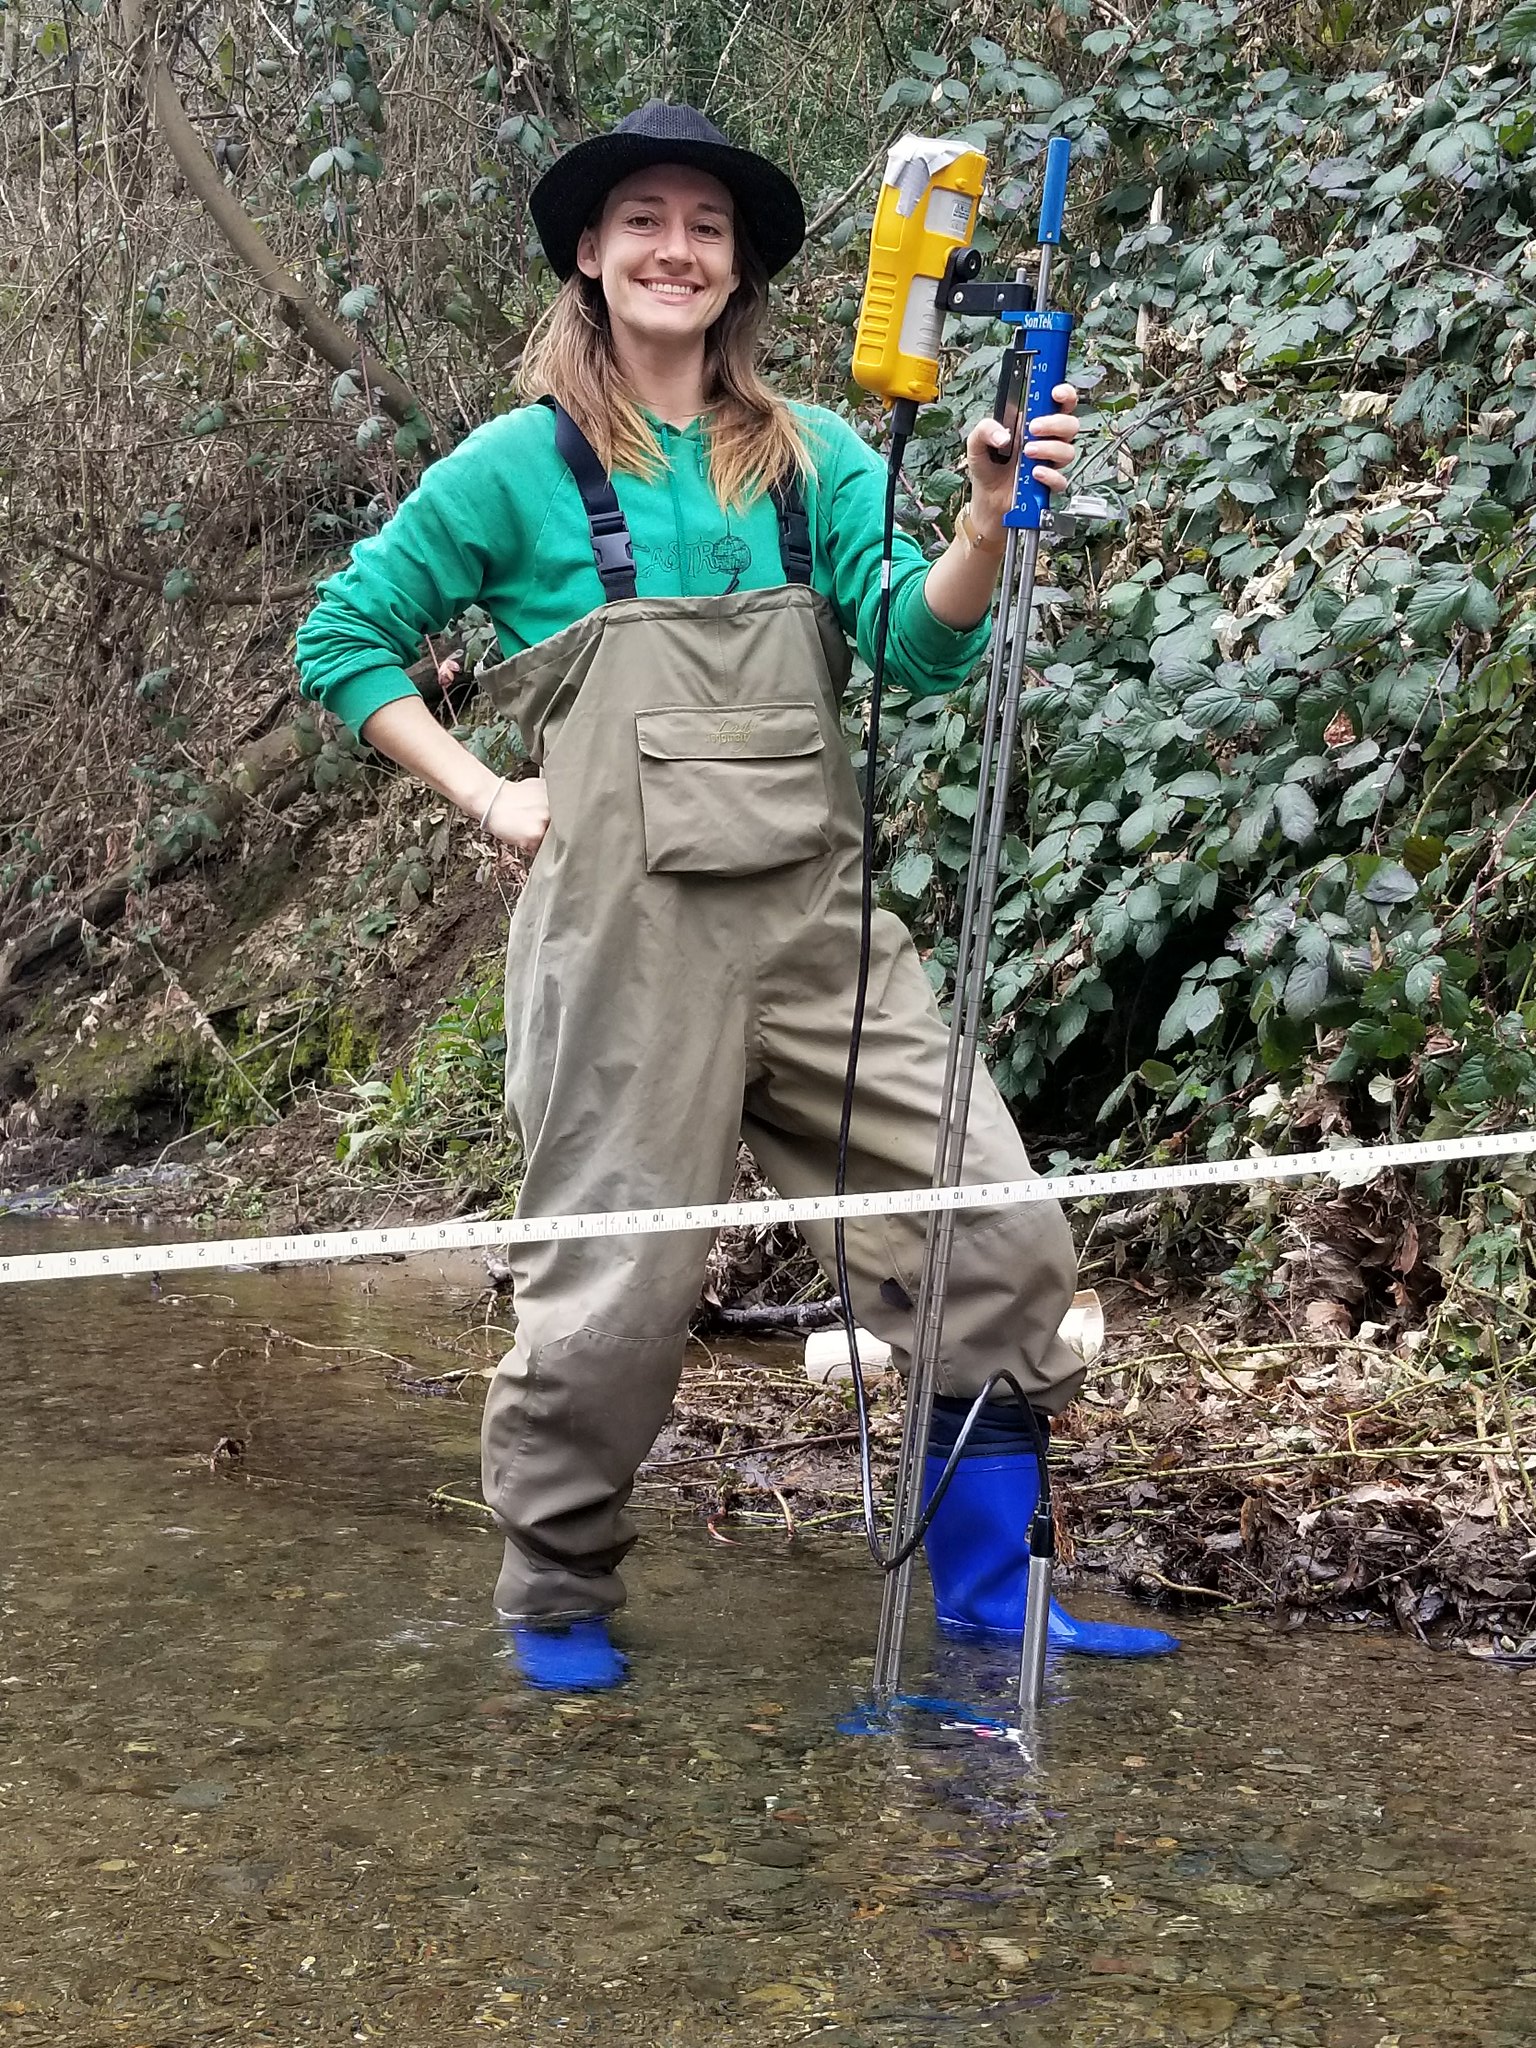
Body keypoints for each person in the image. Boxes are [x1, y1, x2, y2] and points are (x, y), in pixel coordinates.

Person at [296, 101, 1177, 1690]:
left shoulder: (818, 457)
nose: (674, 249)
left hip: (822, 938)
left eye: (705, 227)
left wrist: (983, 520)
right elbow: (341, 643)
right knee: (614, 1307)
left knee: (999, 1234)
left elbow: (917, 642)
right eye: (643, 218)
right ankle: (557, 1601)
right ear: (590, 252)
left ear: (741, 271)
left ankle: (987, 1597)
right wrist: (490, 792)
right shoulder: (516, 469)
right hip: (621, 954)